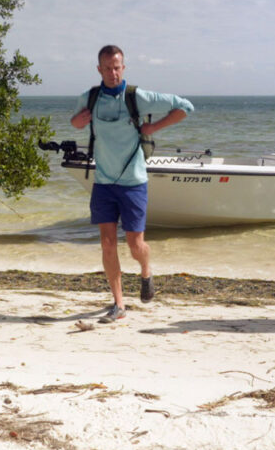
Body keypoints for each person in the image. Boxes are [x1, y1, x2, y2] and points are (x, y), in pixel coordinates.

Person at [71, 45, 194, 323]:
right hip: (103, 182)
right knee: (107, 244)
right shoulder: (89, 98)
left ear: (123, 68)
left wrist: (153, 127)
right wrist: (75, 122)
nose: (113, 73)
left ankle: (146, 271)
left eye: (117, 67)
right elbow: (77, 123)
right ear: (99, 69)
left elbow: (185, 107)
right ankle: (118, 304)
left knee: (135, 245)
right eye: (107, 68)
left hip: (133, 182)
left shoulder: (137, 97)